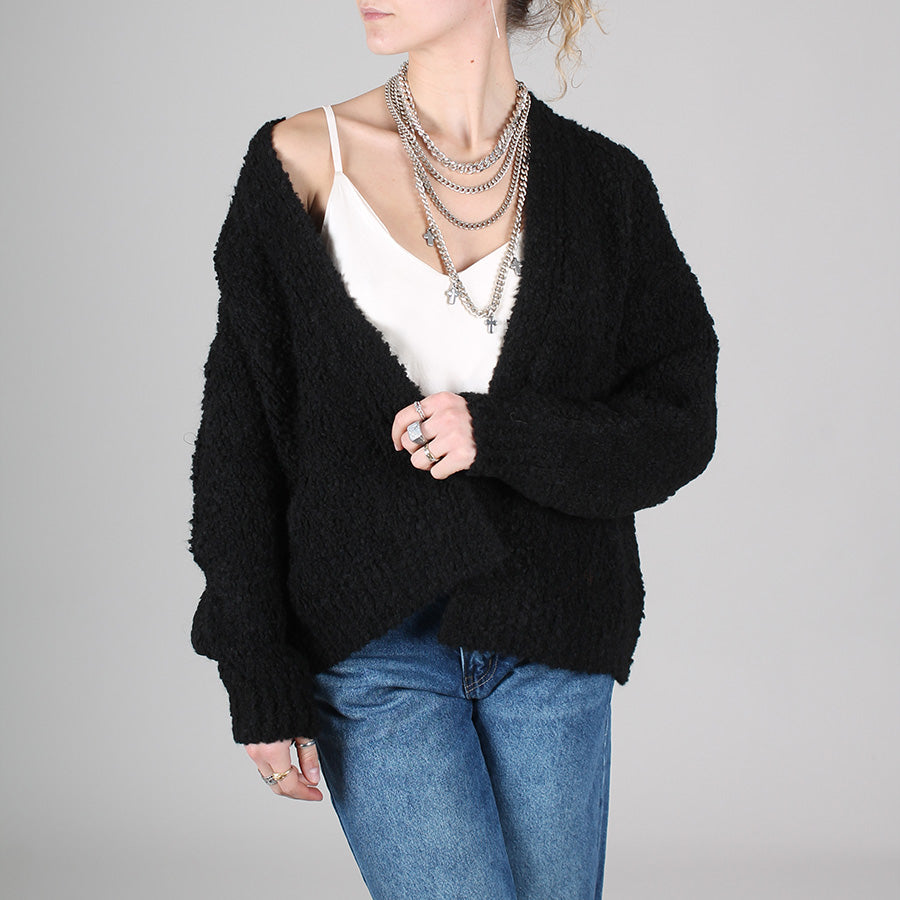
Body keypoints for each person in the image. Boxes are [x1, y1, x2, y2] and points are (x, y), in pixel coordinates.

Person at [188, 2, 719, 898]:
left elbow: (678, 424)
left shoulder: (605, 186)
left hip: (553, 634)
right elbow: (237, 449)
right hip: (374, 644)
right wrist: (256, 669)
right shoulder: (301, 161)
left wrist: (502, 434)